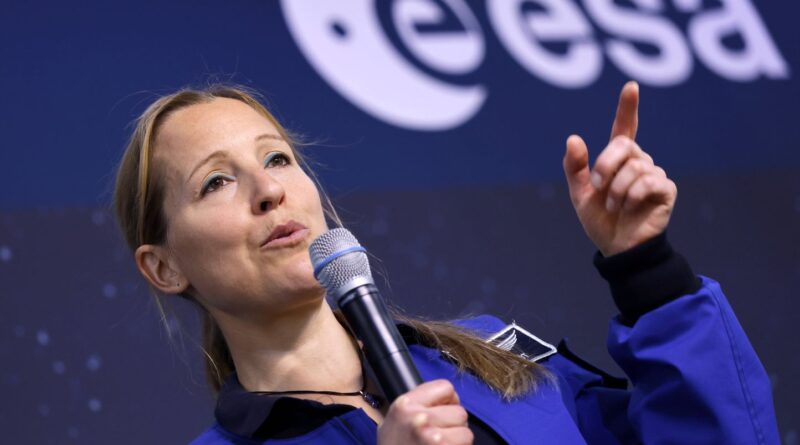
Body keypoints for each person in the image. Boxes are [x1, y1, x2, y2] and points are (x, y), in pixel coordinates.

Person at [113, 82, 779, 444]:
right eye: (215, 182)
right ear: (164, 267)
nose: (270, 190)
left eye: (277, 157)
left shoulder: (491, 355)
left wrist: (645, 267)